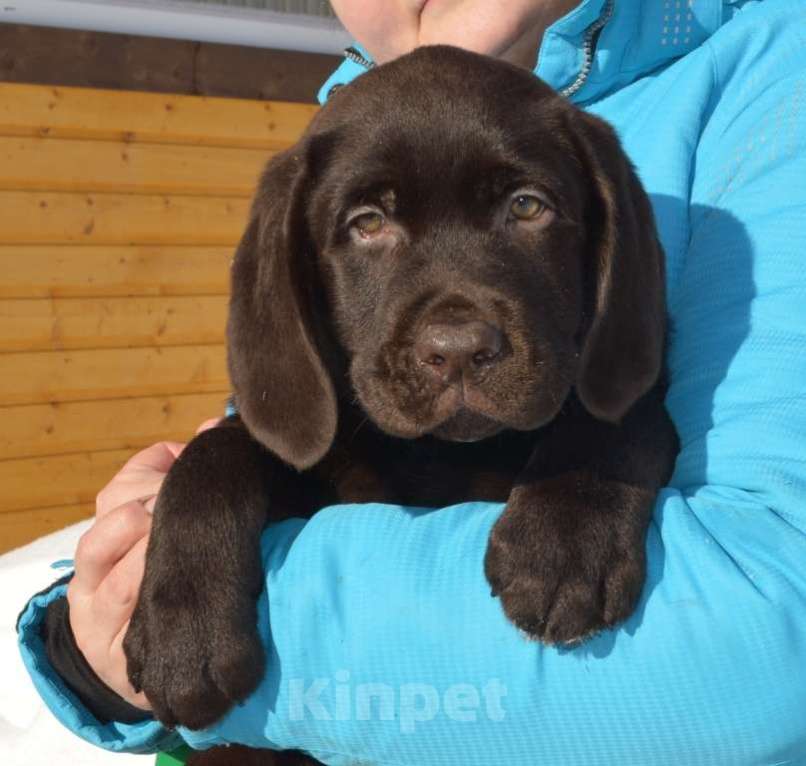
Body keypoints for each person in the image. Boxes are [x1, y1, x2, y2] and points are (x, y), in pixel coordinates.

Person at [17, 0, 806, 763]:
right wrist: (98, 642)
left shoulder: (766, 77)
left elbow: (761, 646)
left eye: (524, 205)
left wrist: (607, 451)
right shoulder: (336, 143)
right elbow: (292, 433)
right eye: (369, 224)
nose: (456, 334)